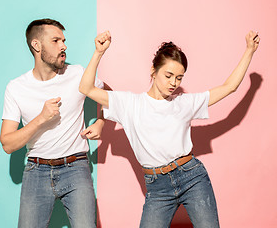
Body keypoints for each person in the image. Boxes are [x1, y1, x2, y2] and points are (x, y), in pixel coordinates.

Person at [79, 30, 259, 227]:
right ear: (153, 71)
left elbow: (229, 87)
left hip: (192, 177)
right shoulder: (130, 104)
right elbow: (86, 88)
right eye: (169, 75)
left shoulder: (184, 102)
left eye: (179, 78)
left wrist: (249, 51)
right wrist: (98, 52)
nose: (174, 83)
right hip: (157, 188)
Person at [0, 18, 109, 228]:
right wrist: (41, 119)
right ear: (36, 45)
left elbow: (109, 95)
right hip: (36, 171)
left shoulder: (77, 73)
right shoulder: (16, 88)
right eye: (56, 41)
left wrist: (101, 122)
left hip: (76, 167)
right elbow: (8, 144)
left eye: (64, 40)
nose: (64, 46)